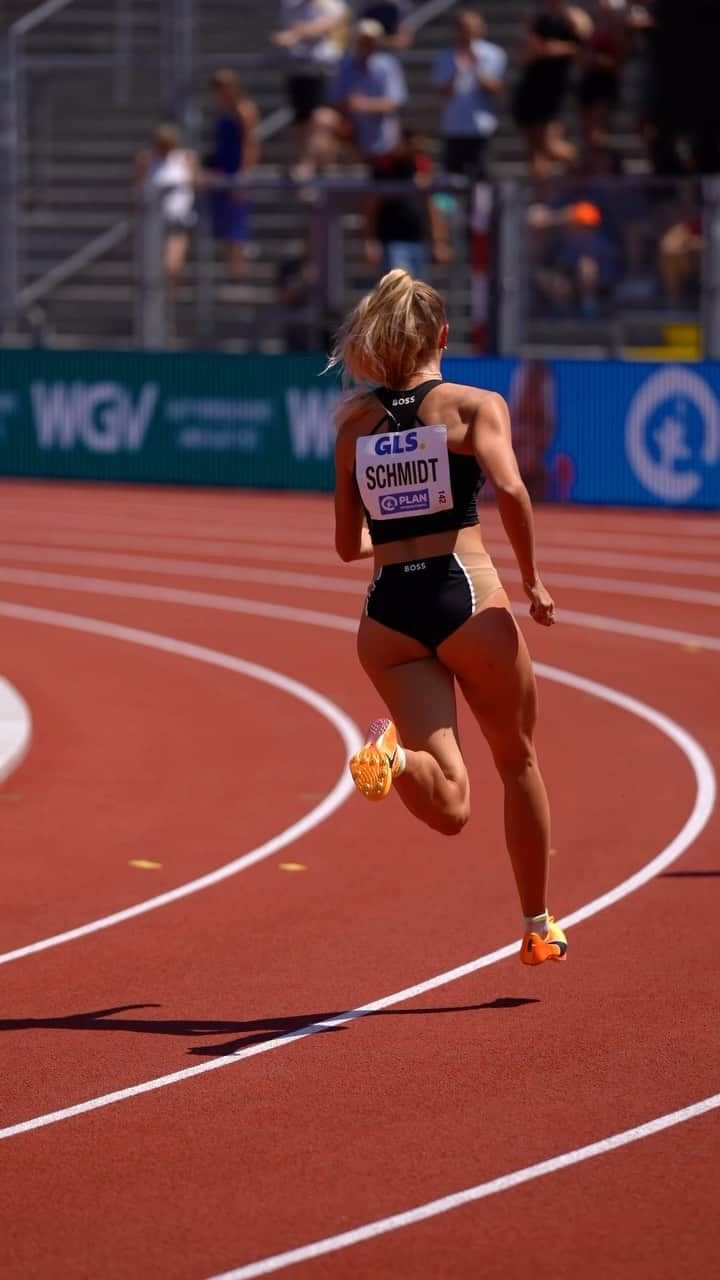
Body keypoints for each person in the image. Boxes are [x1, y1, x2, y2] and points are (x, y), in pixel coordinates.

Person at [331, 269, 567, 966]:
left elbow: (349, 546)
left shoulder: (354, 424)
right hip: (465, 595)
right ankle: (537, 924)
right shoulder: (472, 405)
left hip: (387, 615)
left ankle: (395, 756)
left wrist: (401, 538)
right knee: (517, 759)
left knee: (450, 804)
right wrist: (533, 580)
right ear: (442, 336)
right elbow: (514, 489)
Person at [271, 0, 349, 181]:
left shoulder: (332, 5)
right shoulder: (291, 5)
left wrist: (296, 33)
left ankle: (309, 164)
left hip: (322, 70)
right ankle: (305, 162)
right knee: (301, 121)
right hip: (298, 70)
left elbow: (326, 26)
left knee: (320, 118)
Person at [512, 1, 591, 177]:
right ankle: (540, 196)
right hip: (532, 85)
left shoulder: (575, 18)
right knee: (533, 148)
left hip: (556, 88)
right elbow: (526, 51)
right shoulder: (537, 18)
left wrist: (554, 49)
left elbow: (585, 49)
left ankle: (585, 171)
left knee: (549, 144)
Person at [432, 9, 507, 181]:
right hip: (453, 125)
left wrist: (475, 66)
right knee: (452, 178)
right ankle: (453, 209)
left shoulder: (493, 54)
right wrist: (457, 71)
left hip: (480, 126)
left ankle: (481, 209)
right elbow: (441, 92)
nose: (465, 32)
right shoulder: (445, 56)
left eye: (469, 28)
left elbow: (495, 88)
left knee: (481, 178)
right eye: (461, 27)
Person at [364, 130, 451, 276]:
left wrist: (439, 241)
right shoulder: (384, 170)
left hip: (420, 241)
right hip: (393, 242)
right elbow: (371, 207)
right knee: (400, 290)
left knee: (418, 294)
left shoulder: (421, 169)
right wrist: (370, 240)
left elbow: (432, 207)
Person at [205, 69, 259, 278]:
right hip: (222, 170)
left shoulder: (244, 110)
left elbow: (250, 144)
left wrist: (244, 174)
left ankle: (239, 271)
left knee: (237, 223)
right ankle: (231, 269)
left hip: (236, 171)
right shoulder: (222, 110)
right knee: (224, 224)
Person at [330, 18, 407, 165]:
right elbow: (337, 100)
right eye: (362, 40)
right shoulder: (345, 65)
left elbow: (394, 102)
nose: (366, 45)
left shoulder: (387, 64)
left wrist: (362, 105)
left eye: (369, 41)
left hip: (384, 138)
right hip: (354, 139)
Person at [133, 124, 198, 293]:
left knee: (171, 266)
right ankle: (158, 310)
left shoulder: (186, 158)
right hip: (153, 222)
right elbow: (139, 189)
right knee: (151, 270)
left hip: (177, 219)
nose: (165, 151)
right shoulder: (146, 160)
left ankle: (168, 306)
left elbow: (195, 183)